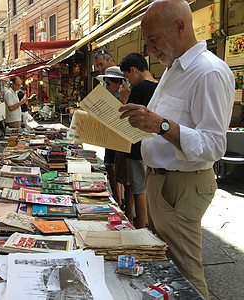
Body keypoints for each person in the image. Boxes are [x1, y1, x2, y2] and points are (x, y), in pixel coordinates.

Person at [119, 1, 234, 298]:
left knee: (186, 272)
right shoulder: (173, 68)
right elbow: (160, 126)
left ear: (179, 27)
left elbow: (213, 144)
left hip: (182, 184)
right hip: (160, 180)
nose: (150, 47)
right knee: (166, 268)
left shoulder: (208, 72)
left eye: (153, 38)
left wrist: (160, 125)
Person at [118, 53, 158, 229]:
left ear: (133, 70)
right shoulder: (158, 85)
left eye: (127, 76)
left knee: (138, 189)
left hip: (137, 145)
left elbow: (130, 116)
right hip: (154, 143)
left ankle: (141, 227)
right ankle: (149, 224)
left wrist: (125, 98)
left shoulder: (139, 87)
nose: (128, 81)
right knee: (149, 187)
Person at [95, 49, 123, 208]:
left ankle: (120, 202)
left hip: (119, 135)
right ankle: (118, 201)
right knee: (110, 166)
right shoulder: (107, 86)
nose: (99, 68)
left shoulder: (120, 84)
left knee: (118, 170)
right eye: (98, 66)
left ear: (110, 60)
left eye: (101, 64)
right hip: (109, 134)